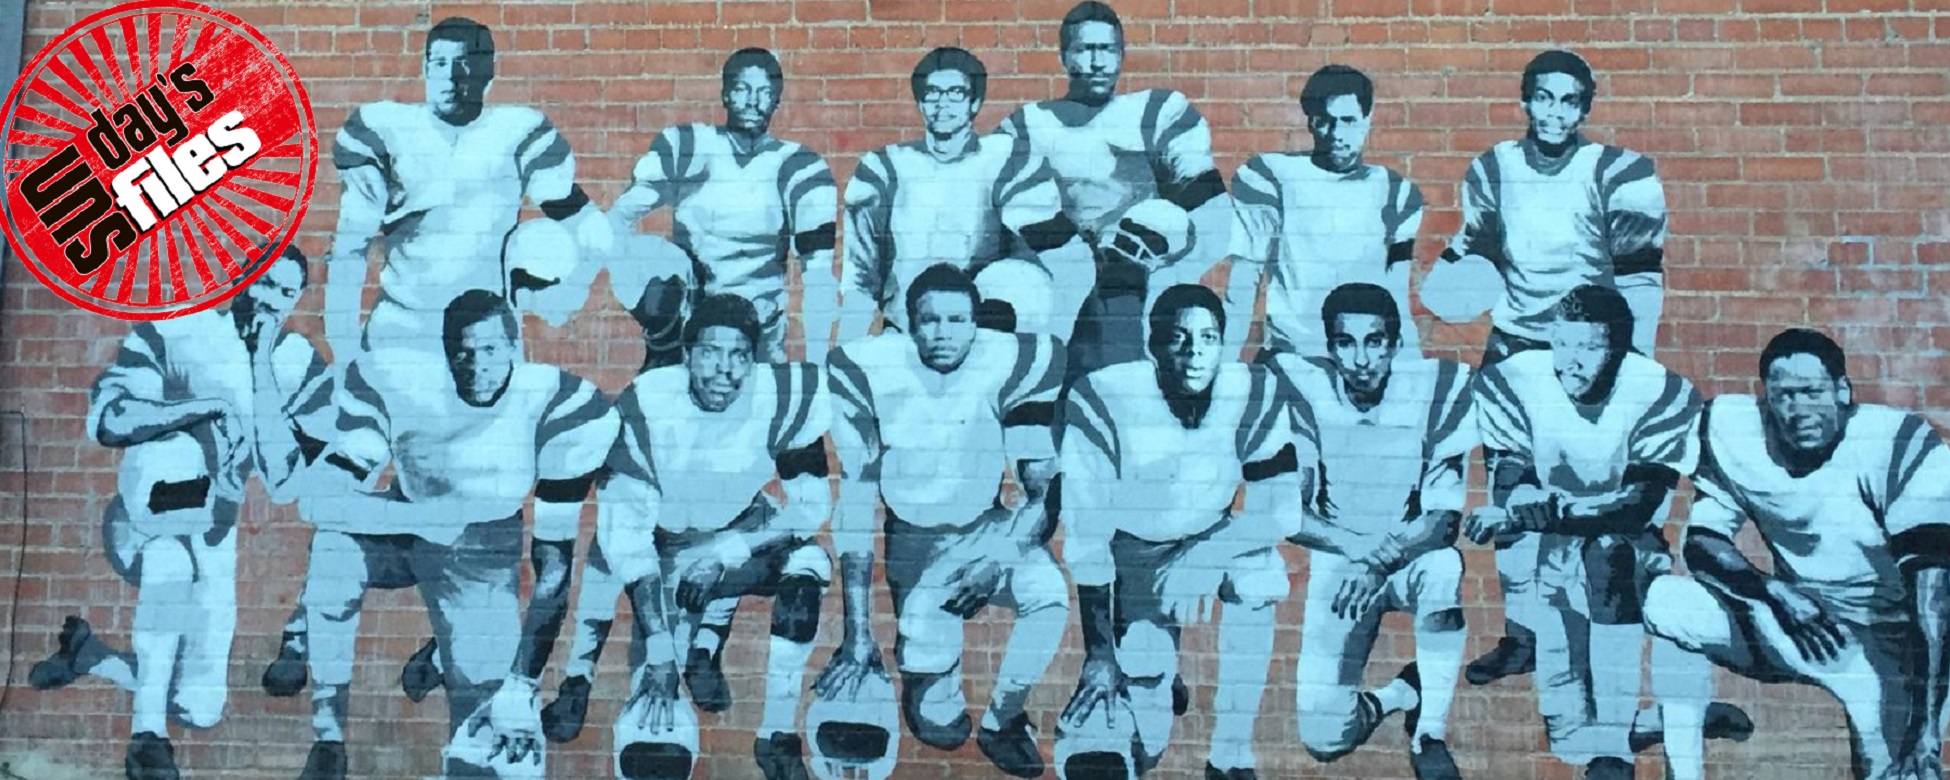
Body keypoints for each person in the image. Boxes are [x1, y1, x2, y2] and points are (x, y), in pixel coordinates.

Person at [288, 290, 616, 779]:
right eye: (463, 353)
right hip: (404, 522)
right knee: (332, 553)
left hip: (482, 549)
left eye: (490, 349)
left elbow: (553, 569)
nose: (477, 366)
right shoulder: (397, 382)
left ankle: (449, 657)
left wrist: (522, 684)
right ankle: (329, 738)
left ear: (515, 347)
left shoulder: (561, 405)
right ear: (445, 354)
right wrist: (426, 519)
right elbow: (318, 501)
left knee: (485, 717)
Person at [32, 246, 326, 779]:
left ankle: (91, 657)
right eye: (263, 283)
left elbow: (284, 482)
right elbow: (110, 418)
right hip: (145, 512)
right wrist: (203, 410)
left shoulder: (297, 361)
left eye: (285, 292)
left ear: (296, 301)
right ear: (240, 277)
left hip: (215, 528)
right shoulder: (180, 328)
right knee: (170, 552)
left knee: (199, 707)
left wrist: (260, 367)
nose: (270, 301)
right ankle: (146, 739)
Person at [1449, 48, 1672, 689]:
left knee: (1602, 490)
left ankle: (1609, 638)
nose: (1554, 112)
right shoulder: (1493, 168)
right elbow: (1474, 253)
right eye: (1543, 98)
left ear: (1585, 108)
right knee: (1510, 490)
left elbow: (1641, 276)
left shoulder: (1620, 172)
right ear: (1525, 101)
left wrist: (1633, 364)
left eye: (1569, 101)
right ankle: (1522, 634)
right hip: (1517, 346)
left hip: (1593, 350)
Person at [1466, 284, 1752, 779]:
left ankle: (1616, 752)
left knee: (1607, 551)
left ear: (1620, 348)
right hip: (1551, 557)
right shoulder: (1518, 378)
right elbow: (1510, 474)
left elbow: (1635, 506)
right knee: (1569, 739)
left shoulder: (1658, 390)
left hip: (1629, 554)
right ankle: (1662, 720)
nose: (1569, 362)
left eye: (1588, 347)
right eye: (1561, 343)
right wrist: (1517, 499)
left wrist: (1534, 511)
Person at [1645, 328, 1950, 780]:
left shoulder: (1896, 443)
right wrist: (1775, 594)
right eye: (1784, 396)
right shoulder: (1735, 431)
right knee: (1661, 600)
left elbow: (1935, 602)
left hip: (1896, 645)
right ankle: (1681, 750)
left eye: (1811, 392)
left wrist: (1925, 734)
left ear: (1842, 391)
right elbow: (1703, 544)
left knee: (1896, 772)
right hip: (1800, 620)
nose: (1798, 409)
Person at [565, 293, 833, 780]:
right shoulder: (648, 403)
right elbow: (627, 537)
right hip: (663, 539)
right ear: (687, 354)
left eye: (739, 355)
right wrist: (660, 649)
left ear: (753, 361)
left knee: (809, 566)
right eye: (710, 352)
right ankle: (578, 676)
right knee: (650, 671)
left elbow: (813, 503)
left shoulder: (779, 395)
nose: (725, 370)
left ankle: (775, 731)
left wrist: (727, 552)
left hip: (739, 531)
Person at [816, 263, 1069, 777]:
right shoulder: (868, 369)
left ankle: (1003, 718)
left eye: (957, 320)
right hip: (916, 545)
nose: (943, 334)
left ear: (977, 323)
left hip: (987, 528)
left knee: (1049, 595)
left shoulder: (1010, 361)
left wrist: (999, 557)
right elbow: (856, 504)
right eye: (929, 320)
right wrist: (857, 631)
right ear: (909, 325)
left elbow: (1045, 491)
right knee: (937, 722)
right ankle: (926, 666)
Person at [1058, 284, 1308, 778]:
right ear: (1153, 345)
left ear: (1223, 343)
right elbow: (1087, 537)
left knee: (1260, 576)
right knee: (1145, 686)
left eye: (1208, 337)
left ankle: (1230, 754)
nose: (1194, 352)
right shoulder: (1102, 397)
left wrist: (1203, 555)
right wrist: (1100, 653)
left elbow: (1282, 511)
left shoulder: (1252, 391)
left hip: (1210, 537)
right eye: (1179, 337)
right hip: (1133, 553)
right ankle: (1153, 684)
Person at [1263, 283, 1469, 779]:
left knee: (1445, 568)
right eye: (1346, 343)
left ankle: (1429, 734)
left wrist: (1377, 563)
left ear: (1395, 344)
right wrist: (1359, 551)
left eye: (1374, 342)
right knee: (1324, 737)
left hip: (1410, 552)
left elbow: (1443, 522)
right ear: (1330, 347)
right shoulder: (1303, 387)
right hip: (1341, 560)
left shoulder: (1435, 387)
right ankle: (1400, 694)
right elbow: (1288, 512)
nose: (1360, 359)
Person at [322, 16, 611, 360]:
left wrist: (567, 290)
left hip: (487, 339)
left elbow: (591, 229)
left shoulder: (518, 133)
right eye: (439, 63)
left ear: (488, 72)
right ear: (425, 68)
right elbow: (351, 246)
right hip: (402, 331)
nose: (450, 77)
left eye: (463, 64)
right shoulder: (385, 130)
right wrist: (342, 342)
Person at [999, 1, 1234, 380]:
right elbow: (1013, 212)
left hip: (1144, 278)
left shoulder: (1157, 111)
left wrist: (1165, 279)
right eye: (1084, 49)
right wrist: (1073, 266)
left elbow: (1213, 216)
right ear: (1064, 56)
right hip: (1064, 279)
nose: (1097, 62)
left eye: (1107, 49)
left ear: (1122, 54)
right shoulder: (1030, 124)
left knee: (1160, 219)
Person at [839, 48, 1092, 343]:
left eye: (955, 93)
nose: (943, 103)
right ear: (920, 102)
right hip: (905, 336)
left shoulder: (1004, 159)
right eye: (932, 93)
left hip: (982, 340)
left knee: (1017, 277)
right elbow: (861, 281)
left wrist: (1055, 345)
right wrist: (846, 352)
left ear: (975, 102)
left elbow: (1068, 258)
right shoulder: (884, 168)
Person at [611, 47, 840, 366]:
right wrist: (656, 309)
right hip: (691, 330)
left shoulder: (798, 166)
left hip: (758, 333)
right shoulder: (689, 147)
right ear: (726, 94)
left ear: (776, 100)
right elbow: (617, 219)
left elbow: (818, 275)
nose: (753, 101)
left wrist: (817, 364)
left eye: (764, 92)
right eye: (743, 89)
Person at [1230, 66, 1426, 359]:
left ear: (1368, 118)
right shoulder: (1269, 177)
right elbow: (1243, 285)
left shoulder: (1396, 193)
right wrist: (1222, 367)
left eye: (1348, 121)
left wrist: (1412, 371)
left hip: (1362, 364)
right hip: (1291, 359)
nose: (1336, 134)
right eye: (1324, 121)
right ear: (1309, 121)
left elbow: (1396, 298)